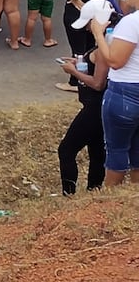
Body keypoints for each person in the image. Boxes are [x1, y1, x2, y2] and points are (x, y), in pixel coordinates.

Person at [86, 0, 139, 186]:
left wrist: (98, 35)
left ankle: (110, 199)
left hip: (125, 91)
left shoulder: (131, 22)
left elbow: (115, 61)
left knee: (116, 149)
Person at [57, 24, 108, 195]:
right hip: (98, 107)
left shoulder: (103, 49)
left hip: (94, 108)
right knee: (97, 151)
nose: (87, 28)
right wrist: (79, 63)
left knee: (66, 150)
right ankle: (94, 190)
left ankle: (69, 194)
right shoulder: (103, 46)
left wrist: (74, 72)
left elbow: (98, 83)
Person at [58, 0, 112, 92]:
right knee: (90, 47)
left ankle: (75, 81)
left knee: (78, 50)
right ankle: (90, 75)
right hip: (96, 15)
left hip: (76, 15)